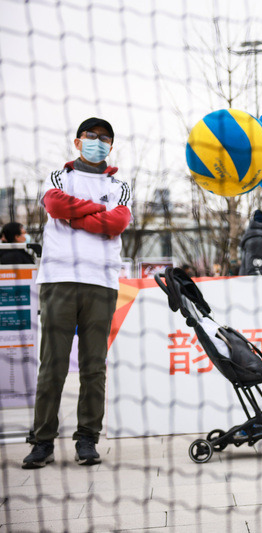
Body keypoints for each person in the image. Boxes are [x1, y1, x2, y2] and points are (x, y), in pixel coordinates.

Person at [22, 117, 132, 469]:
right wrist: (98, 212)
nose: (97, 142)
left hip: (102, 283)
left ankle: (87, 439)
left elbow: (117, 223)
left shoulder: (119, 185)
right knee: (52, 365)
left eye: (104, 139)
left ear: (110, 147)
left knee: (93, 367)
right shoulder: (60, 177)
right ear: (77, 141)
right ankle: (41, 441)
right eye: (91, 136)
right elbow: (55, 206)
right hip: (59, 279)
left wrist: (78, 215)